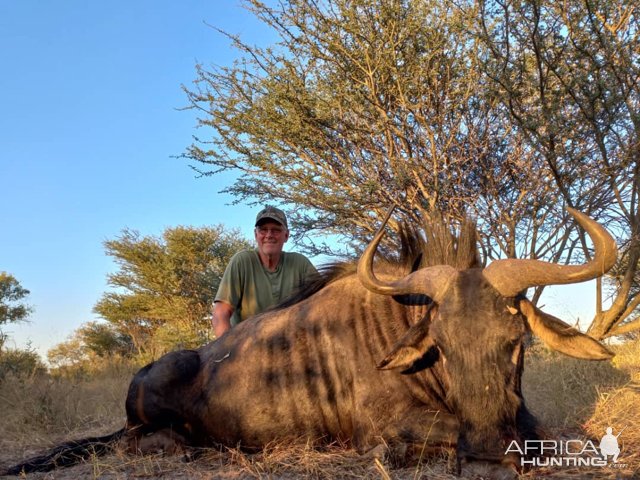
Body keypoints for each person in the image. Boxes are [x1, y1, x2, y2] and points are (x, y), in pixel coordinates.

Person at [212, 206, 317, 338]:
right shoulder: (242, 261)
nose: (269, 235)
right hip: (247, 347)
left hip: (291, 346)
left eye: (276, 230)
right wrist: (227, 352)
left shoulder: (300, 263)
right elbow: (220, 313)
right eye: (263, 230)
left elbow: (322, 305)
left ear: (286, 235)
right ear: (256, 235)